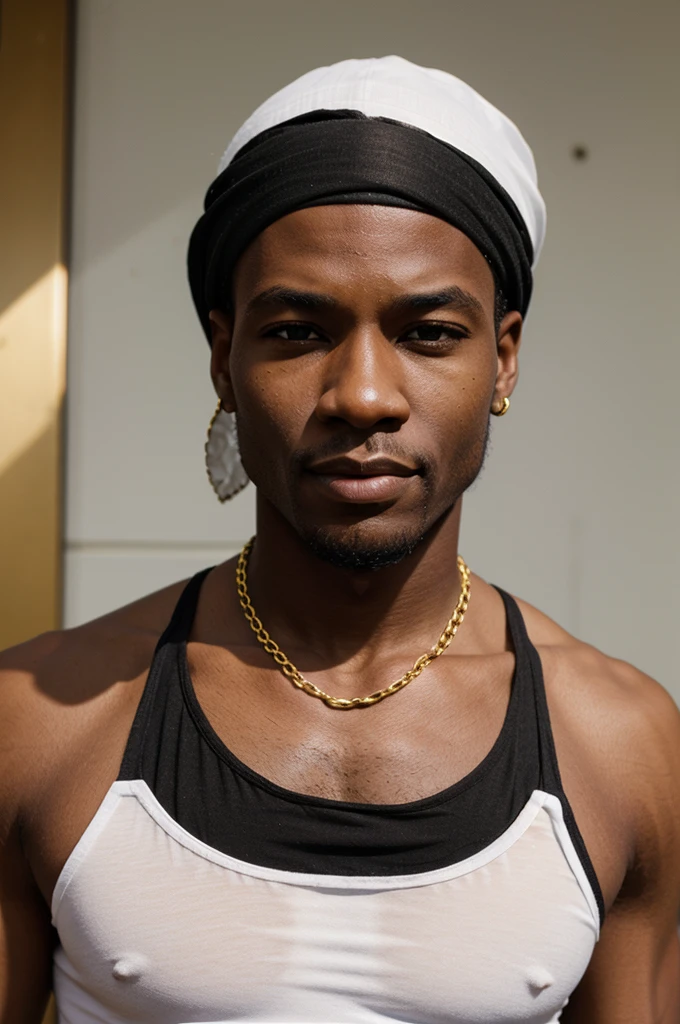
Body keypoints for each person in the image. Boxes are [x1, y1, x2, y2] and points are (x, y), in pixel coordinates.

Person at [1, 56, 678, 1024]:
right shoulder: (35, 722)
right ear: (222, 359)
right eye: (295, 331)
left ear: (504, 358)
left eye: (429, 332)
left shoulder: (619, 742)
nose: (363, 394)